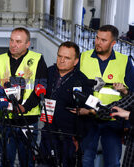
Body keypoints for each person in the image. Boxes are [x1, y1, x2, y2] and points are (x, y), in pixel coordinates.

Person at [79, 24, 134, 167]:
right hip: (88, 117)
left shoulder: (125, 61)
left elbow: (132, 94)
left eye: (103, 40)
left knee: (113, 162)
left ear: (113, 43)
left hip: (113, 119)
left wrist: (127, 124)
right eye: (97, 38)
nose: (98, 42)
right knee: (85, 159)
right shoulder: (83, 57)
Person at [0, 27, 48, 167]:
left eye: (18, 41)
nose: (13, 44)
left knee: (27, 162)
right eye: (11, 40)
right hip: (5, 121)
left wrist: (25, 107)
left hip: (28, 121)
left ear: (27, 44)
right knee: (5, 161)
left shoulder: (37, 59)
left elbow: (41, 87)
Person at [40, 41, 92, 167]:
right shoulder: (49, 72)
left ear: (75, 61)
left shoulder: (81, 80)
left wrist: (78, 138)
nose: (62, 60)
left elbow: (88, 109)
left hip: (69, 137)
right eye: (59, 56)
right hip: (48, 131)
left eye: (67, 58)